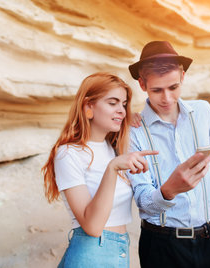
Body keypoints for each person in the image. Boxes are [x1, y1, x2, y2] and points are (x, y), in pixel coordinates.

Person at [126, 41, 210, 267]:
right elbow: (144, 202)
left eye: (173, 87)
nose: (167, 98)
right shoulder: (133, 131)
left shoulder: (203, 111)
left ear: (182, 76)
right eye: (157, 90)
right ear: (142, 84)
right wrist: (169, 190)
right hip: (162, 246)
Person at [42, 72, 158, 268]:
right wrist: (112, 169)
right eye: (112, 103)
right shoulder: (68, 153)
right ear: (88, 106)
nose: (121, 110)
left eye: (123, 104)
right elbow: (93, 227)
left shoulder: (113, 149)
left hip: (120, 254)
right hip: (90, 255)